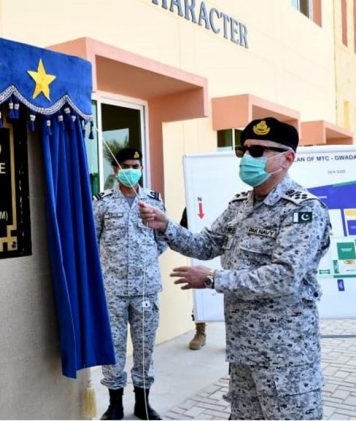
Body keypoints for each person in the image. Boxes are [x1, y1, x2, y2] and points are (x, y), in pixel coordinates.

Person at [139, 117, 331, 419]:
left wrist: (213, 278)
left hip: (285, 356)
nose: (246, 159)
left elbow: (284, 277)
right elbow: (205, 244)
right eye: (243, 151)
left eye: (258, 152)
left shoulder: (303, 210)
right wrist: (166, 226)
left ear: (288, 158)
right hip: (243, 350)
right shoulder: (240, 204)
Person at [93, 147, 167, 420]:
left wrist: (141, 263)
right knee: (113, 347)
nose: (131, 169)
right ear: (115, 169)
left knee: (145, 346)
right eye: (125, 165)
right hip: (112, 289)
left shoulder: (154, 201)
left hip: (146, 288)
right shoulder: (101, 201)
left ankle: (143, 403)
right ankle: (115, 404)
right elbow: (94, 240)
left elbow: (161, 241)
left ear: (141, 168)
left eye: (135, 164)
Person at [179, 207, 207, 350]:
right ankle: (200, 331)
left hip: (229, 252)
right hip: (202, 251)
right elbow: (183, 229)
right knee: (199, 292)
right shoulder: (195, 199)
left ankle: (232, 335)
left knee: (230, 294)